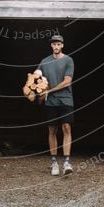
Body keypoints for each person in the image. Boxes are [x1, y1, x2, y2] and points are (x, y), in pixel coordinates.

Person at [37, 34, 74, 176]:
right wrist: (35, 90)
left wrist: (50, 90)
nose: (56, 46)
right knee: (52, 130)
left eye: (59, 44)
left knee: (66, 127)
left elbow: (67, 82)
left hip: (65, 100)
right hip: (50, 102)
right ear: (51, 46)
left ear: (62, 45)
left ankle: (66, 162)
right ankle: (54, 162)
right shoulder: (44, 61)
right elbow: (36, 77)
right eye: (54, 44)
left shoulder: (68, 60)